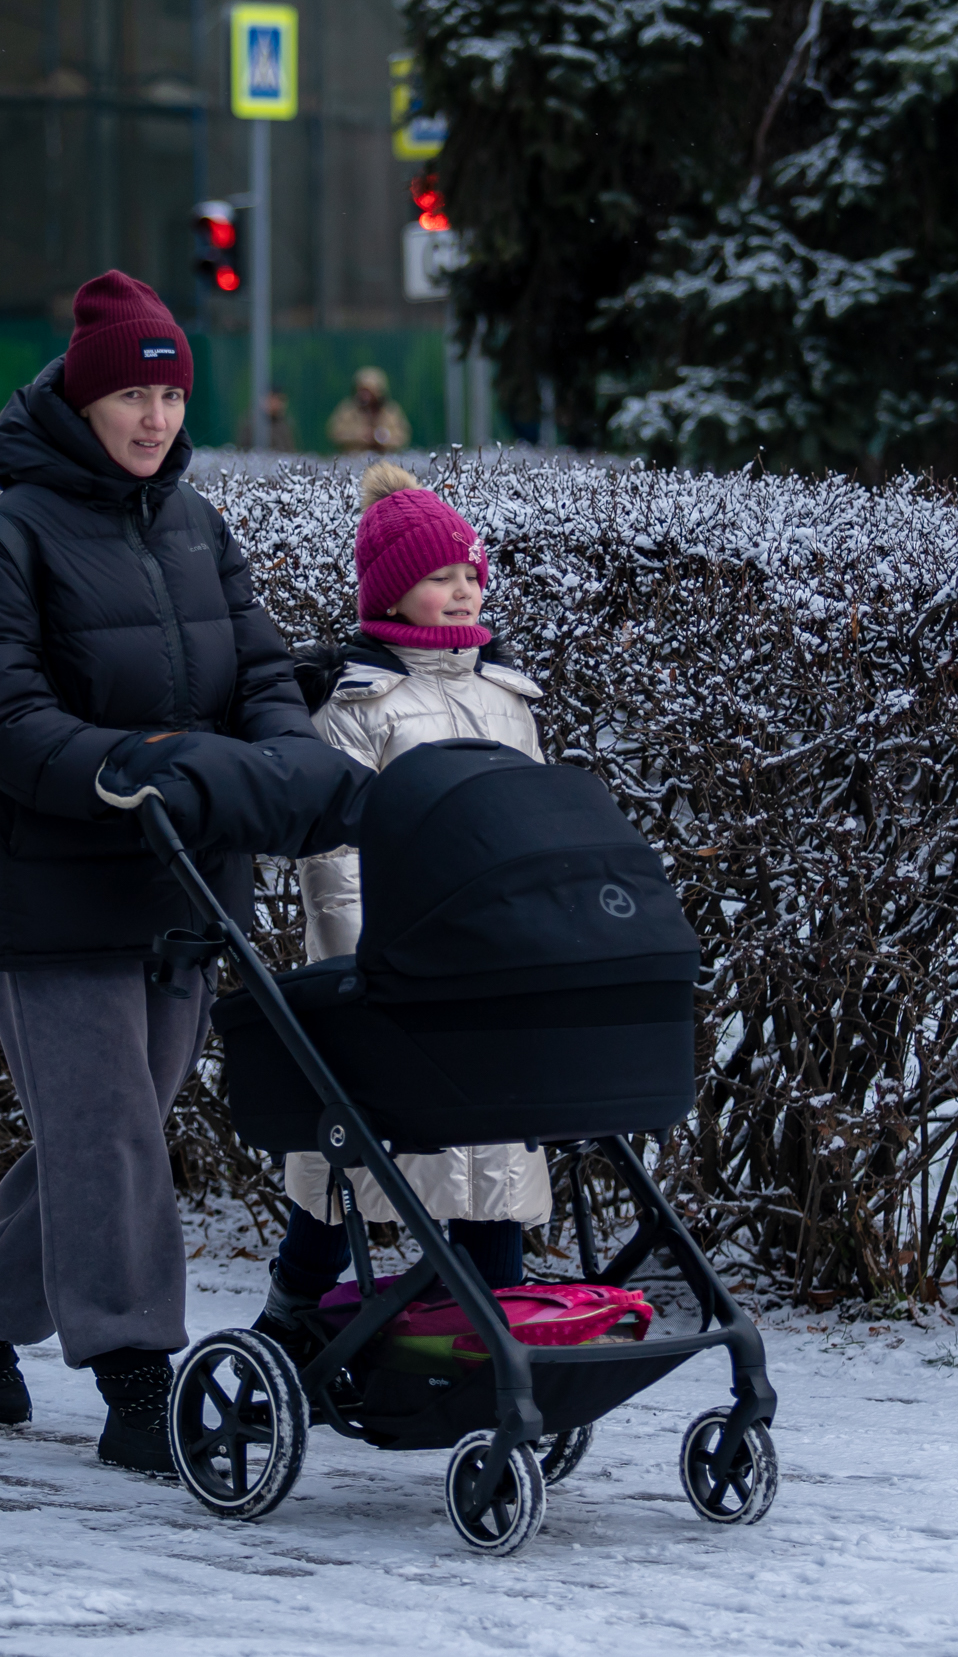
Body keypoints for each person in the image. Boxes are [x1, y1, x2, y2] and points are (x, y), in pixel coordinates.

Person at [0, 270, 325, 1475]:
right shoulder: (7, 544)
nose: (155, 418)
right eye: (131, 396)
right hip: (54, 888)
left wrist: (291, 760)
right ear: (82, 401)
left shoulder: (198, 526)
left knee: (118, 1132)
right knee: (107, 1137)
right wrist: (121, 770)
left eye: (169, 394)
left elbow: (254, 673)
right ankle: (138, 1373)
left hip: (183, 880)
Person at [252, 461, 551, 1352]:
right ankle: (295, 1302)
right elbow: (335, 860)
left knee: (492, 1155)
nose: (462, 592)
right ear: (392, 589)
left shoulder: (507, 697)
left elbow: (531, 827)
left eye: (471, 574)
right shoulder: (358, 706)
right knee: (357, 1160)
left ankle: (491, 1331)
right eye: (439, 577)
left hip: (491, 967)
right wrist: (357, 968)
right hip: (389, 970)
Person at [326, 366, 410, 454]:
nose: (364, 395)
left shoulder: (391, 412)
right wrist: (360, 436)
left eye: (369, 391)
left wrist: (382, 439)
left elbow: (402, 437)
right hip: (352, 459)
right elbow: (334, 434)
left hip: (385, 459)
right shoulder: (347, 410)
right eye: (361, 390)